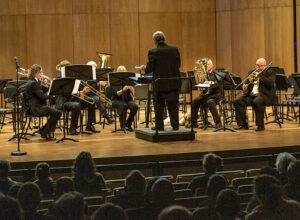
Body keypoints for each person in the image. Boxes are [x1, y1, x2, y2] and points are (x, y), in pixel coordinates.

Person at [142, 31, 181, 131]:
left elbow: (149, 69)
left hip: (160, 84)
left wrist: (144, 68)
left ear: (155, 40)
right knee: (173, 105)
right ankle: (175, 126)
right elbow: (178, 65)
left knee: (159, 106)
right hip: (173, 82)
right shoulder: (174, 49)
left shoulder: (153, 51)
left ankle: (160, 126)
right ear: (164, 38)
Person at [233, 58, 276, 131]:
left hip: (263, 96)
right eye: (256, 65)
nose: (257, 67)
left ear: (264, 66)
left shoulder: (270, 72)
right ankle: (243, 124)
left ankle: (260, 125)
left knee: (257, 101)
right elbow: (246, 82)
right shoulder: (252, 72)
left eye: (259, 66)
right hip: (251, 95)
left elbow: (270, 84)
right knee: (237, 101)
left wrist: (260, 75)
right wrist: (244, 86)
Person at [25, 64, 61, 140]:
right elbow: (43, 97)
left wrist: (44, 85)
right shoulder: (33, 83)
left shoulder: (33, 82)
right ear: (36, 73)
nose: (42, 74)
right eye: (41, 72)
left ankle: (43, 130)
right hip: (37, 108)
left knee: (56, 112)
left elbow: (40, 93)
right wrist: (52, 93)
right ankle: (45, 131)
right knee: (57, 113)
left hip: (36, 106)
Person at [190, 59, 222, 129]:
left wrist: (210, 83)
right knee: (195, 101)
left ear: (212, 65)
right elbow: (200, 84)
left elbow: (217, 84)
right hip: (205, 95)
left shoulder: (216, 74)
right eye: (205, 65)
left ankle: (218, 123)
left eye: (208, 64)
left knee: (210, 102)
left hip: (214, 96)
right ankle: (193, 123)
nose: (206, 66)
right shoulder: (204, 74)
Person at [106, 65, 138, 131]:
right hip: (116, 100)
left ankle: (128, 123)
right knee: (124, 106)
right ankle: (122, 125)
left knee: (135, 106)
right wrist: (124, 89)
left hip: (127, 99)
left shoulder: (128, 80)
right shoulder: (113, 82)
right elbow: (117, 94)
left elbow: (133, 94)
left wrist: (131, 88)